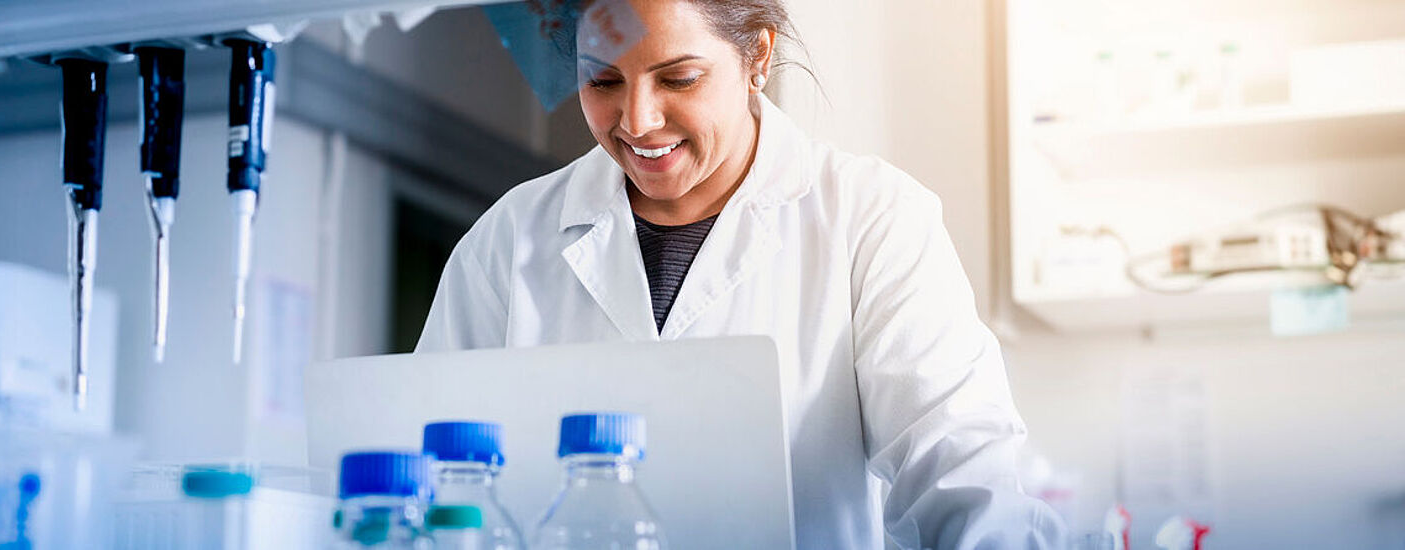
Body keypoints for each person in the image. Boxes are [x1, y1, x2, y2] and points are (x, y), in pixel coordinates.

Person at [417, 0, 1066, 547]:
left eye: (679, 79)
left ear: (757, 56)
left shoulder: (872, 219)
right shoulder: (509, 240)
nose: (638, 120)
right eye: (603, 81)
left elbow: (964, 472)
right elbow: (428, 479)